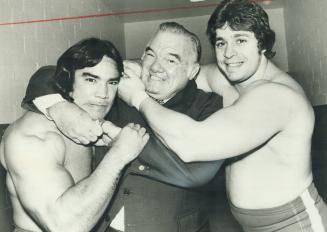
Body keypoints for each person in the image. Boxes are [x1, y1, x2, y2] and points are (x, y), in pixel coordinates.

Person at [117, 0, 327, 231]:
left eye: (240, 40)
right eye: (221, 42)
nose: (229, 53)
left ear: (263, 44)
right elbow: (177, 69)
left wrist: (138, 97)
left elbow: (191, 144)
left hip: (296, 224)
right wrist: (141, 67)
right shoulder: (232, 78)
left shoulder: (276, 97)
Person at [21, 22, 226, 232]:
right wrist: (58, 105)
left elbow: (194, 173)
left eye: (171, 59)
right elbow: (47, 75)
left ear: (192, 71)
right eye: (150, 54)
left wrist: (124, 142)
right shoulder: (117, 88)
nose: (155, 67)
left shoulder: (210, 106)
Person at [0, 38, 150, 232]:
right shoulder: (32, 137)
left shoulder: (92, 122)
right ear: (68, 80)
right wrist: (119, 154)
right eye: (91, 79)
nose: (103, 94)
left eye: (111, 82)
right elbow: (65, 226)